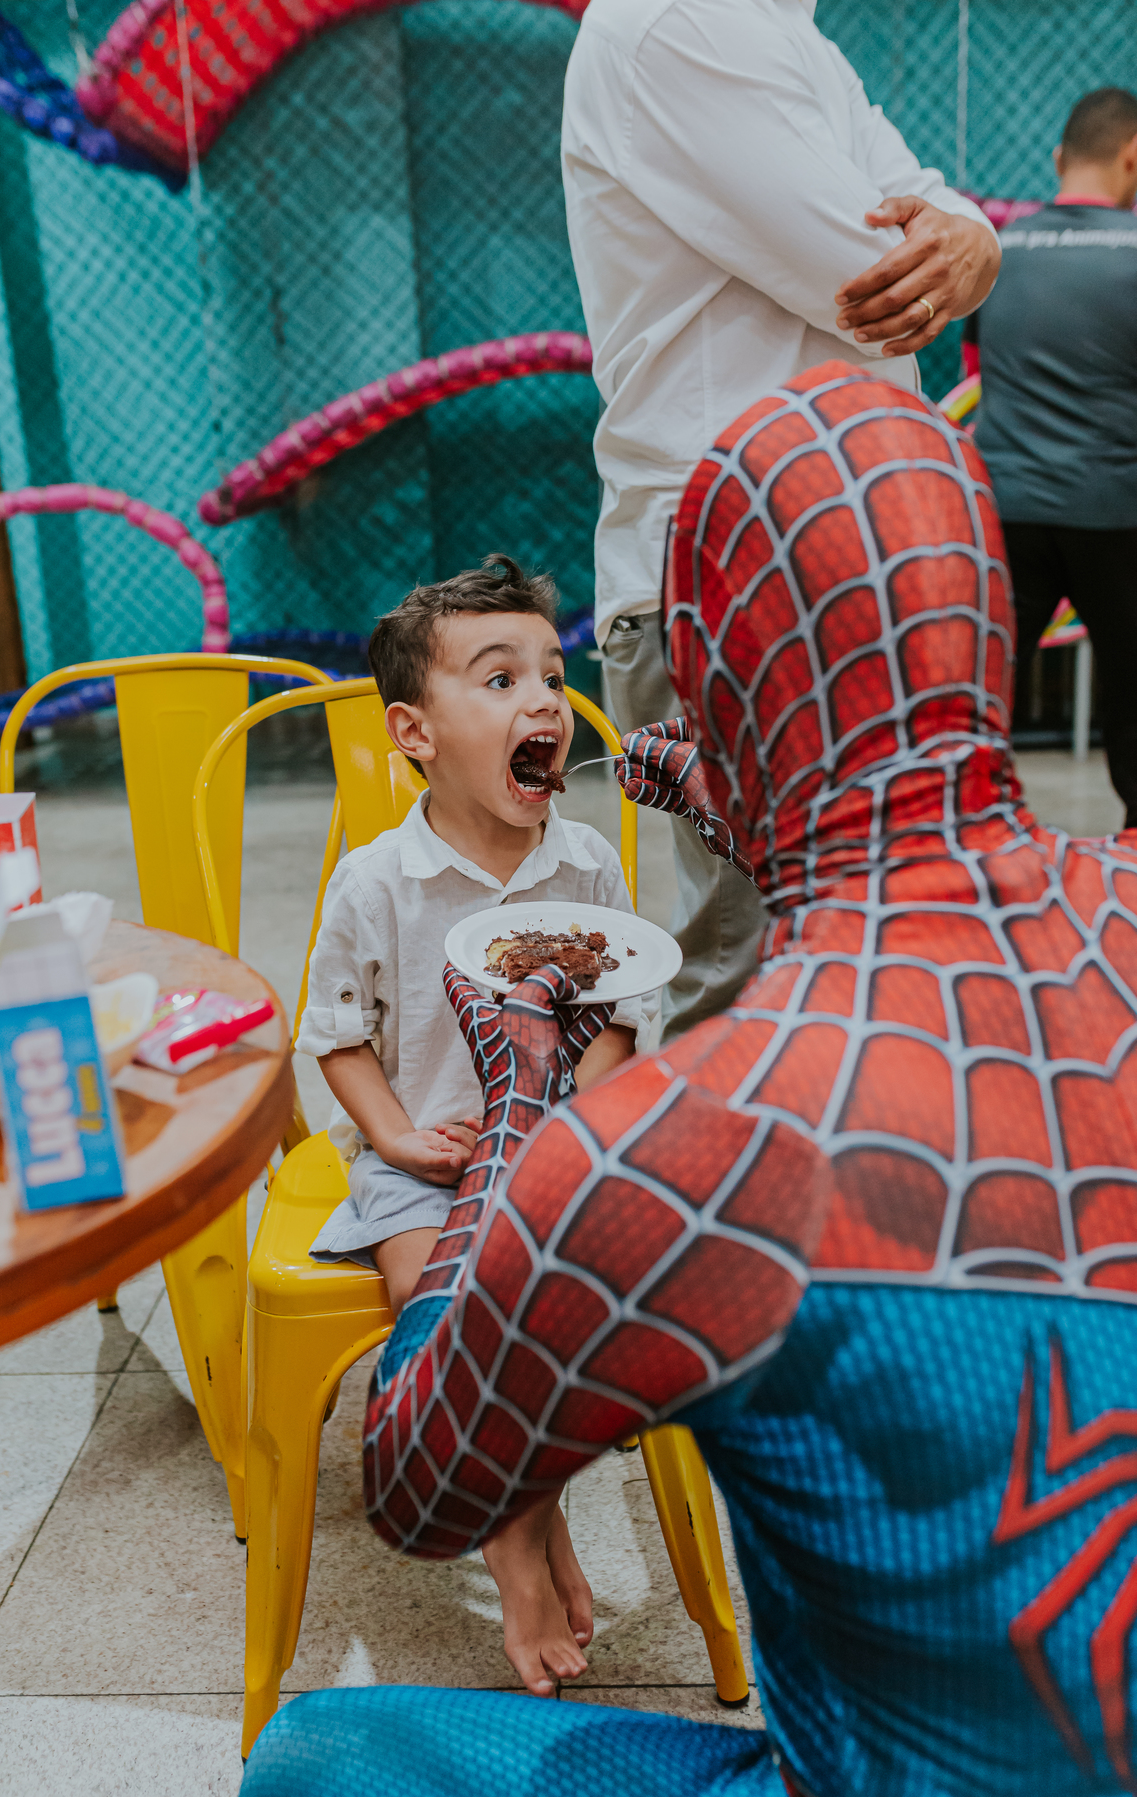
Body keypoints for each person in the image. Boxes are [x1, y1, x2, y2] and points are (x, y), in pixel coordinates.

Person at [244, 361, 1137, 1797]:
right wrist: (745, 787)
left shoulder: (687, 1139)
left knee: (321, 1754)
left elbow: (415, 1483)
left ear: (711, 682)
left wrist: (523, 1098)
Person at [561, 0, 1000, 1042]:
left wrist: (976, 244)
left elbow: (946, 219)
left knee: (860, 966)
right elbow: (868, 274)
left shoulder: (790, 33)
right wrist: (955, 251)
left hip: (829, 559)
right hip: (739, 572)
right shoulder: (679, 20)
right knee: (760, 991)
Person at [296, 553, 653, 1699]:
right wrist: (397, 1139)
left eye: (550, 675)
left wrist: (580, 1132)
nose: (543, 700)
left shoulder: (585, 865)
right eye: (499, 681)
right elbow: (336, 1037)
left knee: (548, 1306)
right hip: (424, 1160)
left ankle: (523, 1513)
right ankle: (522, 1546)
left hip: (553, 1158)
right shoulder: (377, 883)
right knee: (441, 1295)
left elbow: (616, 1021)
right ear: (415, 733)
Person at [966, 86, 1137, 826]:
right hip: (1116, 515)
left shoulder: (997, 251)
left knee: (980, 698)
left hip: (1007, 511)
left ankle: (960, 841)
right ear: (1132, 157)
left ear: (1060, 157)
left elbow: (977, 374)